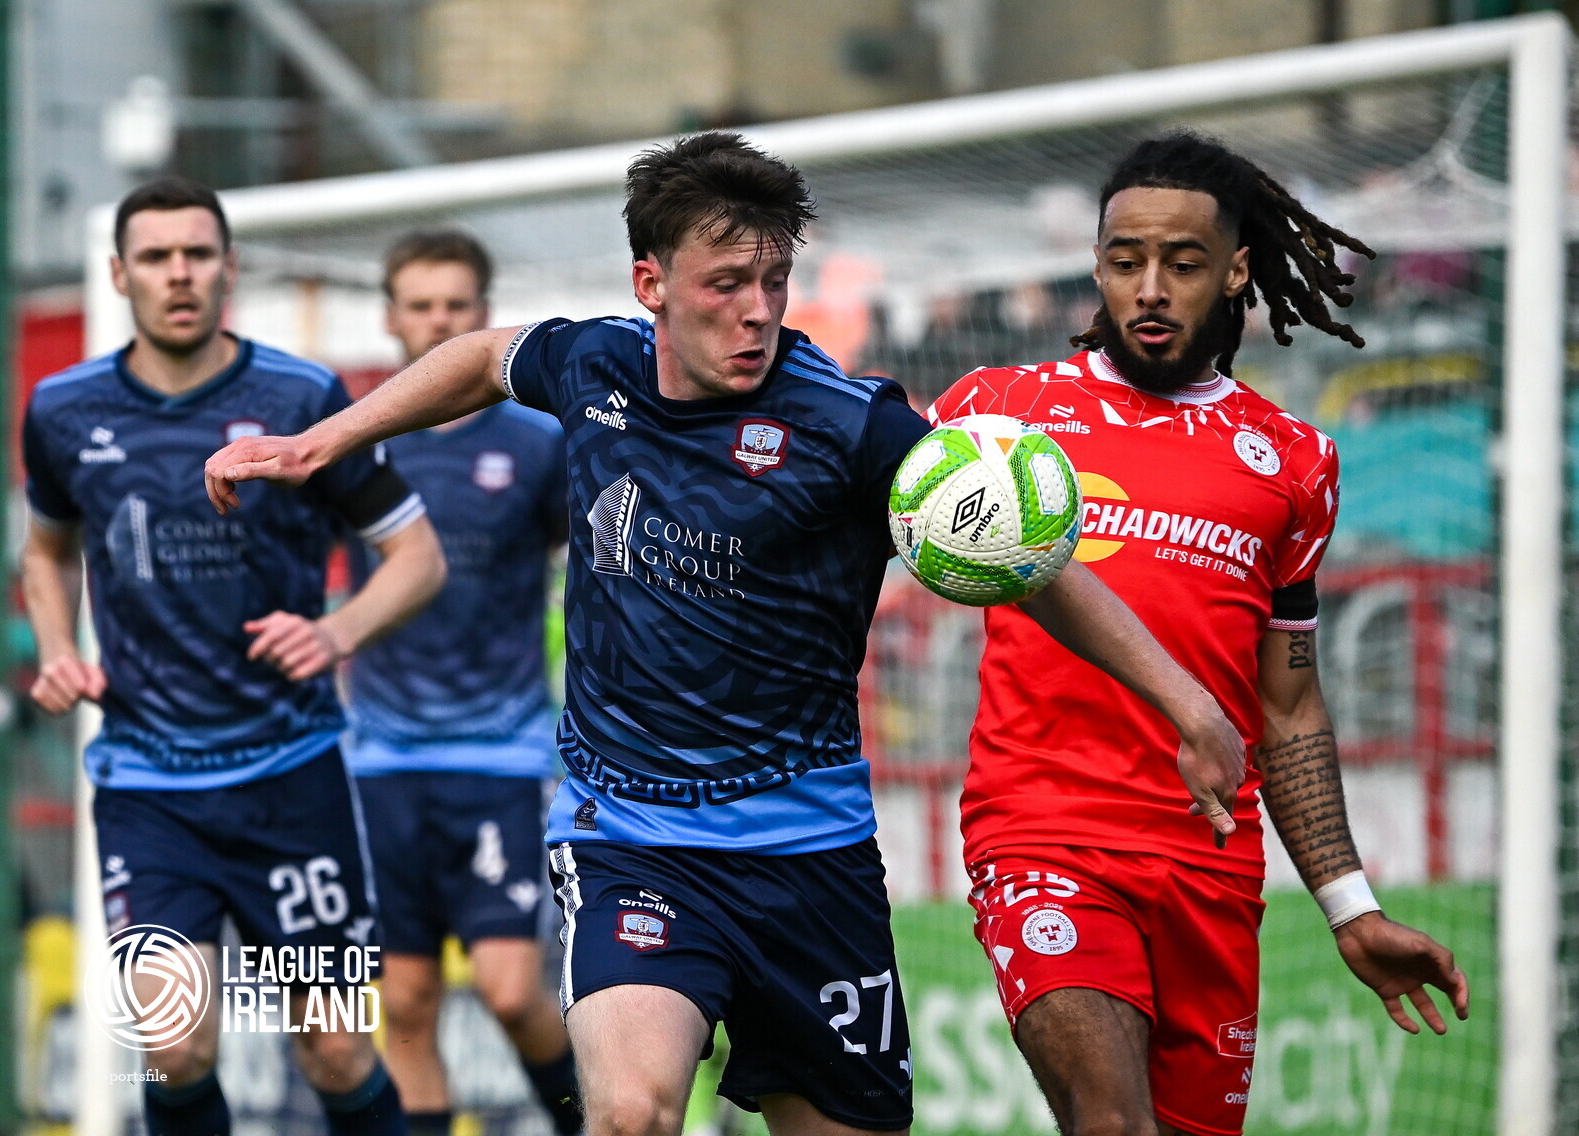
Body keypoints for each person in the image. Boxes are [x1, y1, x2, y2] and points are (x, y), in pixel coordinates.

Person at [204, 131, 1247, 1136]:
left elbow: (1031, 564)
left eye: (774, 281)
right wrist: (324, 440)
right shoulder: (592, 366)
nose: (756, 311)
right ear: (651, 283)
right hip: (629, 833)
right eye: (725, 284)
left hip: (809, 850)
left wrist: (1187, 703)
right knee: (630, 1111)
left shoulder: (854, 424)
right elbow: (483, 357)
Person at [927, 131, 1472, 1136]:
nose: (1149, 289)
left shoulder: (1294, 461)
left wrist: (1350, 905)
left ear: (1234, 271)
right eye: (1124, 260)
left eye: (1181, 263)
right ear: (1096, 266)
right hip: (1043, 835)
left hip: (1208, 866)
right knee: (1112, 1121)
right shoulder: (997, 417)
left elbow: (1288, 702)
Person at [21, 176, 445, 1136]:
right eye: (157, 257)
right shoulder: (62, 409)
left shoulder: (301, 397)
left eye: (198, 254)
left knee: (335, 1050)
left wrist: (335, 632)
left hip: (292, 781)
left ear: (229, 267)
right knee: (173, 1043)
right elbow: (44, 551)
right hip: (149, 786)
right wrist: (54, 645)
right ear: (119, 274)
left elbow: (417, 557)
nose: (179, 274)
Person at [346, 229, 580, 1136]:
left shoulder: (536, 441)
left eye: (456, 305)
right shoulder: (360, 438)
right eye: (421, 305)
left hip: (501, 757)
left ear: (483, 315)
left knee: (511, 988)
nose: (438, 320)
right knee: (404, 1005)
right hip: (380, 760)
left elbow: (583, 562)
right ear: (391, 318)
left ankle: (588, 1121)